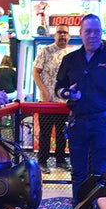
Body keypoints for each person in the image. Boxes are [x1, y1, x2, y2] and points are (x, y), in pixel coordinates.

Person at [55, 14, 106, 202]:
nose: (92, 35)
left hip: (102, 123)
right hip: (77, 122)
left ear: (101, 33)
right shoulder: (70, 60)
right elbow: (58, 88)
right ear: (80, 33)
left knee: (100, 172)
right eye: (88, 31)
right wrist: (67, 93)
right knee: (78, 173)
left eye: (96, 31)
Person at [33, 24, 72, 174]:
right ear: (55, 35)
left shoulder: (71, 54)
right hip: (47, 102)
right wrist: (43, 91)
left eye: (65, 33)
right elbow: (35, 72)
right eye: (60, 32)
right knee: (45, 133)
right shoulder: (45, 51)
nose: (62, 35)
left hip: (63, 102)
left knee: (62, 133)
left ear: (69, 36)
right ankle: (42, 162)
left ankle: (60, 160)